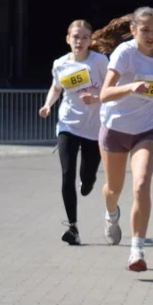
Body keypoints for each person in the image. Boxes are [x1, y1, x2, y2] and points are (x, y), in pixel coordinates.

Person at [97, 7, 153, 271]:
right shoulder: (125, 53)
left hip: (146, 130)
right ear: (134, 30)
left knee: (142, 183)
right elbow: (104, 94)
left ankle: (137, 250)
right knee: (113, 189)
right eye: (144, 30)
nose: (150, 35)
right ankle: (112, 213)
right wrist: (130, 87)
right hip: (115, 128)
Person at [38, 19, 108, 246]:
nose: (80, 41)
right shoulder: (60, 64)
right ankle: (73, 227)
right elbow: (56, 87)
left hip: (94, 128)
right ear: (68, 39)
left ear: (91, 40)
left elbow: (110, 89)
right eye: (75, 37)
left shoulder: (100, 62)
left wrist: (96, 98)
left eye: (85, 37)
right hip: (68, 124)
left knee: (86, 179)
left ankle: (88, 181)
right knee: (67, 174)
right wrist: (48, 105)